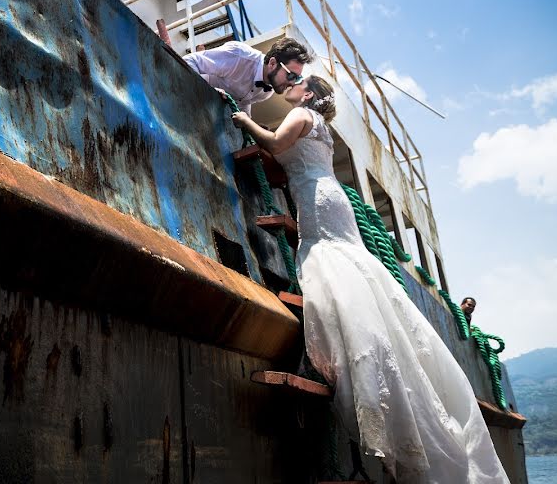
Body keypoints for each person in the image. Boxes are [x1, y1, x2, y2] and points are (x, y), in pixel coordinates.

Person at [230, 76, 509, 483]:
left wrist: (245, 120)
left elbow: (273, 144)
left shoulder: (301, 114)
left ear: (308, 94)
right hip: (326, 197)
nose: (289, 84)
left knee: (332, 267)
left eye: (297, 82)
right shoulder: (321, 125)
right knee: (349, 270)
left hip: (318, 203)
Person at [184, 38, 312, 114]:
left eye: (297, 78)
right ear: (272, 63)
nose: (292, 83)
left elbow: (243, 102)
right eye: (291, 76)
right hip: (188, 97)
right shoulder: (238, 56)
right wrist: (202, 91)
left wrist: (249, 126)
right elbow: (190, 60)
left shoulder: (267, 92)